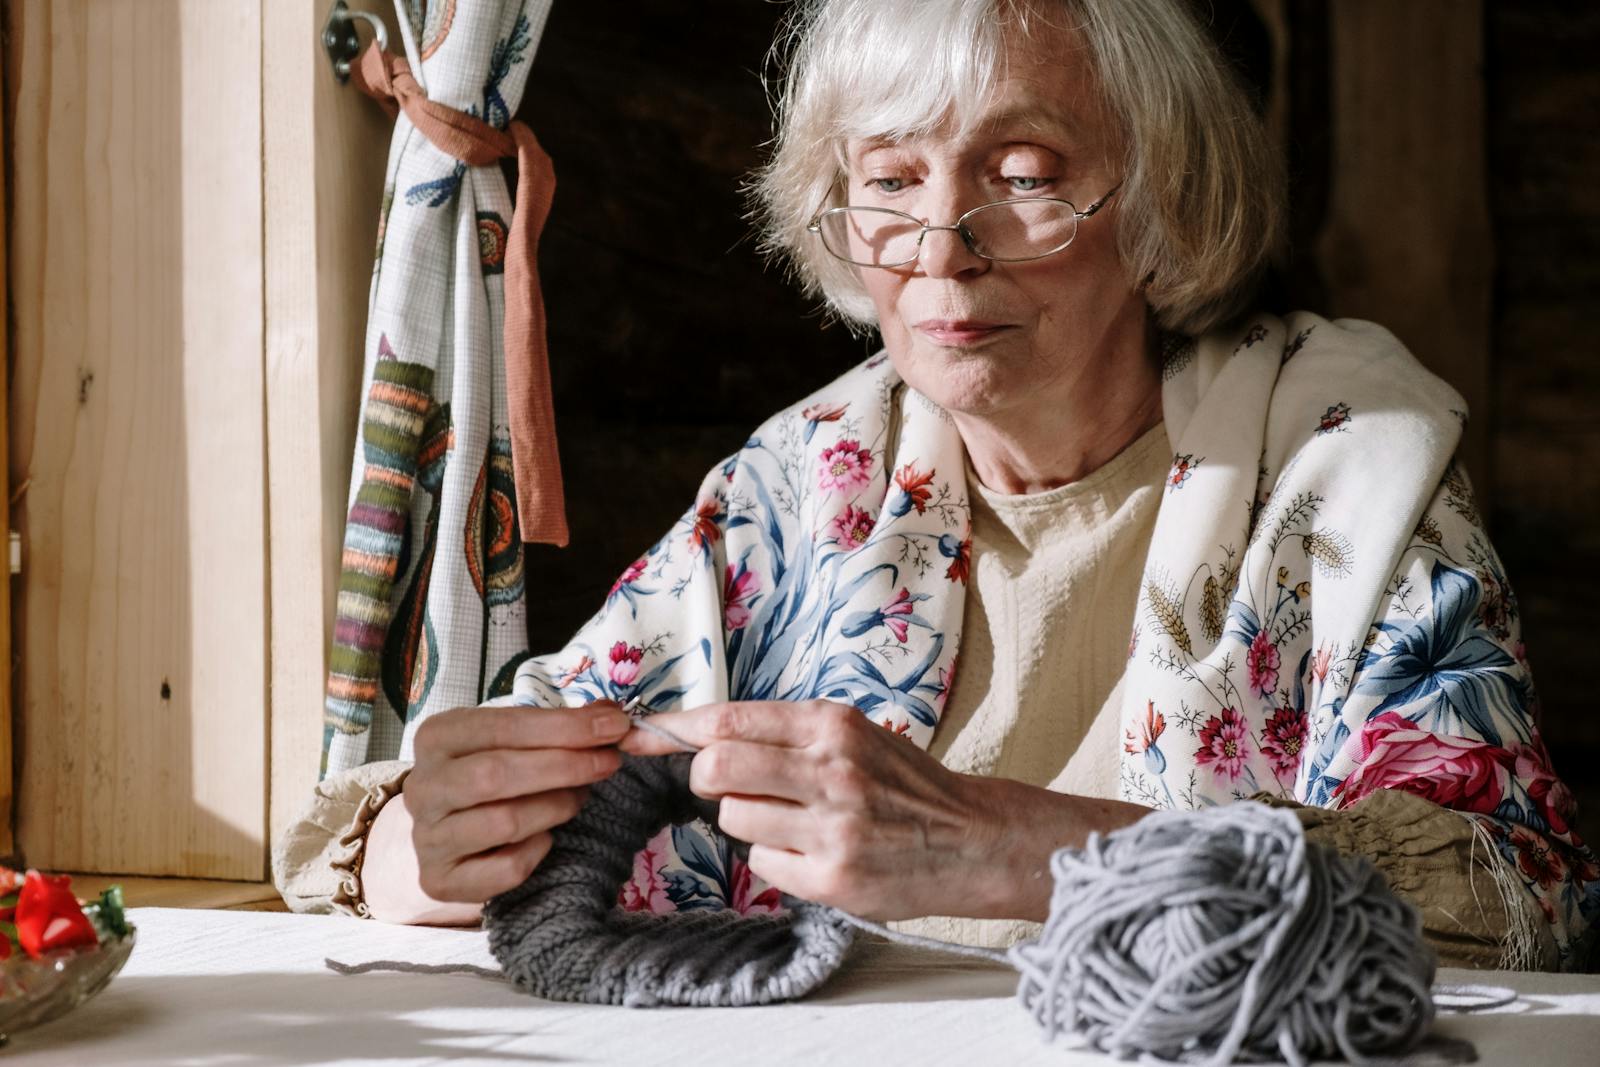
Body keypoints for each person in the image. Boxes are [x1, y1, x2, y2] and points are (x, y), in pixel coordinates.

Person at [276, 0, 1598, 970]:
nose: (944, 252)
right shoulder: (798, 494)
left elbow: (1517, 885)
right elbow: (465, 788)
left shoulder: (1345, 473)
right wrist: (413, 844)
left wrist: (1009, 845)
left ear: (1159, 204)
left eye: (1024, 177)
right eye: (892, 181)